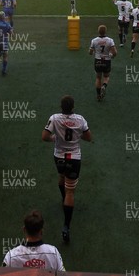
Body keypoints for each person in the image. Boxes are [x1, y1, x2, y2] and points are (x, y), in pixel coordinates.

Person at [42, 95, 92, 244]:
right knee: (71, 191)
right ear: (73, 107)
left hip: (59, 157)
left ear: (61, 106)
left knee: (61, 177)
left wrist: (54, 139)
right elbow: (89, 137)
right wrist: (77, 136)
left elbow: (45, 136)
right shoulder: (80, 119)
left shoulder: (55, 118)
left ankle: (63, 199)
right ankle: (66, 226)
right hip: (74, 157)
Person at [89, 24, 117, 101]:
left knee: (98, 78)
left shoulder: (94, 40)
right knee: (106, 76)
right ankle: (104, 85)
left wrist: (93, 52)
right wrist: (112, 56)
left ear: (98, 31)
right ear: (105, 32)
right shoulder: (110, 40)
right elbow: (115, 52)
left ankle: (98, 95)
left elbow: (90, 52)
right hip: (107, 61)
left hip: (98, 60)